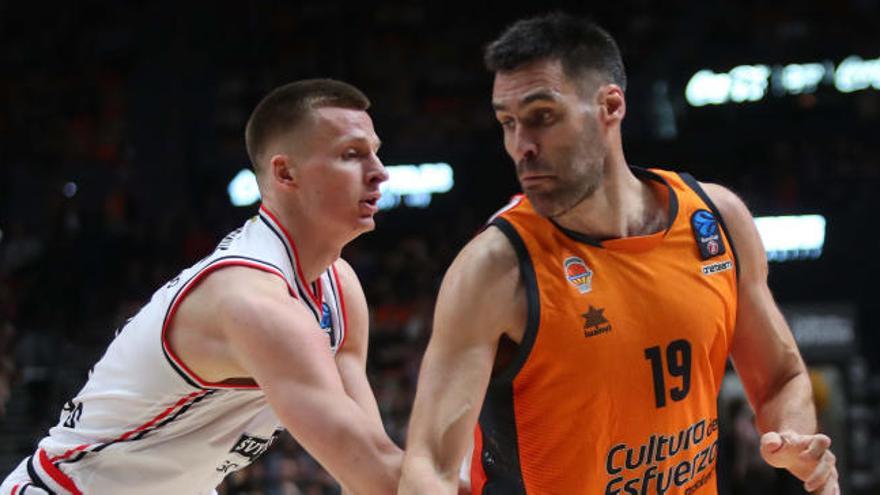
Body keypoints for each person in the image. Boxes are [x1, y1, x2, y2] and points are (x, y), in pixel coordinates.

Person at [399, 13, 838, 495]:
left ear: (610, 106)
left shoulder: (716, 220)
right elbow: (430, 466)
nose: (521, 145)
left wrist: (795, 439)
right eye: (507, 123)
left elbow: (780, 378)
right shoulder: (495, 268)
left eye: (542, 116)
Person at [1, 79, 402, 495]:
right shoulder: (252, 301)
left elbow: (371, 461)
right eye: (352, 155)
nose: (379, 172)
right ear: (285, 172)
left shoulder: (339, 286)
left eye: (375, 152)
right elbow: (373, 474)